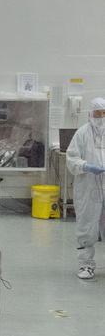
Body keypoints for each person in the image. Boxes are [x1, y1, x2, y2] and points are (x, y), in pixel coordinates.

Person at [67, 98, 105, 279]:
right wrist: (86, 166)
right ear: (91, 114)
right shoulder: (82, 133)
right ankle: (86, 265)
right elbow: (71, 158)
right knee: (87, 226)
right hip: (89, 187)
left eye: (104, 113)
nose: (101, 117)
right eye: (98, 113)